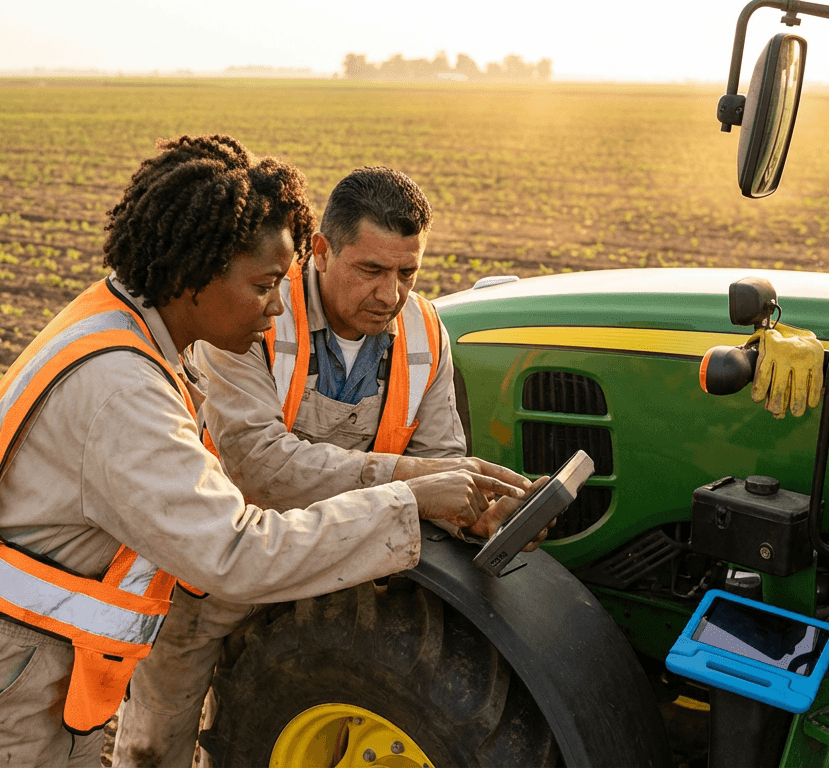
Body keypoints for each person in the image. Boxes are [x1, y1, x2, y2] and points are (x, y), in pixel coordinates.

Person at [0, 136, 527, 768]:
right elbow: (233, 552)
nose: (275, 308)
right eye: (264, 285)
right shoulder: (123, 392)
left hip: (5, 666)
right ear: (197, 274)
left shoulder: (133, 332)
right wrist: (407, 497)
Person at [113, 166, 547, 768]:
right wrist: (413, 485)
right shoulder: (250, 310)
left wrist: (476, 507)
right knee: (155, 746)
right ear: (320, 249)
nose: (390, 294)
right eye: (370, 270)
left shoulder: (424, 330)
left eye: (407, 272)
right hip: (215, 568)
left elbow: (438, 460)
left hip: (338, 564)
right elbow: (257, 465)